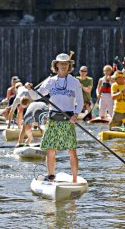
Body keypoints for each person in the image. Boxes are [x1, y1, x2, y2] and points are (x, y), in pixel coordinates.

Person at [28, 53, 83, 183]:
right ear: (56, 65)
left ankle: (74, 180)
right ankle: (51, 176)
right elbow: (36, 96)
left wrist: (75, 115)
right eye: (61, 63)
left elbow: (80, 102)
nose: (63, 66)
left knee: (72, 151)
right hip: (53, 119)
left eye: (66, 63)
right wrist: (30, 89)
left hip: (68, 119)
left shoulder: (75, 82)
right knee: (50, 150)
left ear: (69, 65)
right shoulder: (50, 81)